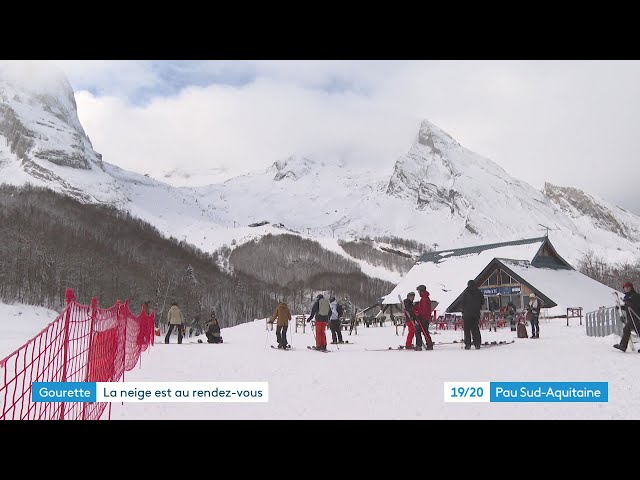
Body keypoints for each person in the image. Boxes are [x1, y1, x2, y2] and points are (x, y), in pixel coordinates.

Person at [613, 282, 640, 352]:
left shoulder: (635, 296)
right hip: (631, 318)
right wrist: (621, 307)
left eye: (628, 287)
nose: (627, 289)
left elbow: (634, 306)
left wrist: (628, 302)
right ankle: (622, 346)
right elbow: (628, 307)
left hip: (636, 317)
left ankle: (623, 346)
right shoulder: (627, 296)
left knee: (635, 331)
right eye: (625, 288)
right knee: (627, 330)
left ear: (631, 288)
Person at [460, 280, 483, 349]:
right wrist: (478, 307)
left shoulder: (466, 292)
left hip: (467, 314)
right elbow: (482, 301)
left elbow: (462, 302)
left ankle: (468, 344)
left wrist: (463, 310)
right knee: (475, 328)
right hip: (476, 313)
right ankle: (477, 343)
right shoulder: (478, 292)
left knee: (467, 330)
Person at [412, 285, 434, 351]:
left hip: (424, 318)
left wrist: (418, 313)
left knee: (419, 331)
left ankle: (420, 345)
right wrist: (415, 308)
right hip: (424, 317)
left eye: (418, 291)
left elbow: (425, 310)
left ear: (421, 291)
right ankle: (428, 345)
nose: (418, 293)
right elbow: (420, 307)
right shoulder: (424, 298)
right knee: (424, 331)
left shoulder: (425, 299)